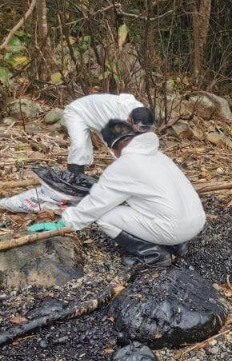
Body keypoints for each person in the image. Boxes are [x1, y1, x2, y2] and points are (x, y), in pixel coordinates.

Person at [28, 120, 206, 267]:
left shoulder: (124, 165)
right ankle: (178, 247)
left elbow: (96, 205)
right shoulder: (159, 156)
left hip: (174, 229)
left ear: (112, 147)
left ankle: (154, 255)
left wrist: (64, 222)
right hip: (196, 222)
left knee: (105, 216)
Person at [63, 93, 155, 174]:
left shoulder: (140, 111)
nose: (144, 130)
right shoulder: (118, 122)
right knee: (80, 147)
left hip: (100, 116)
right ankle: (74, 177)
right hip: (78, 112)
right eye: (141, 128)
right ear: (129, 121)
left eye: (146, 128)